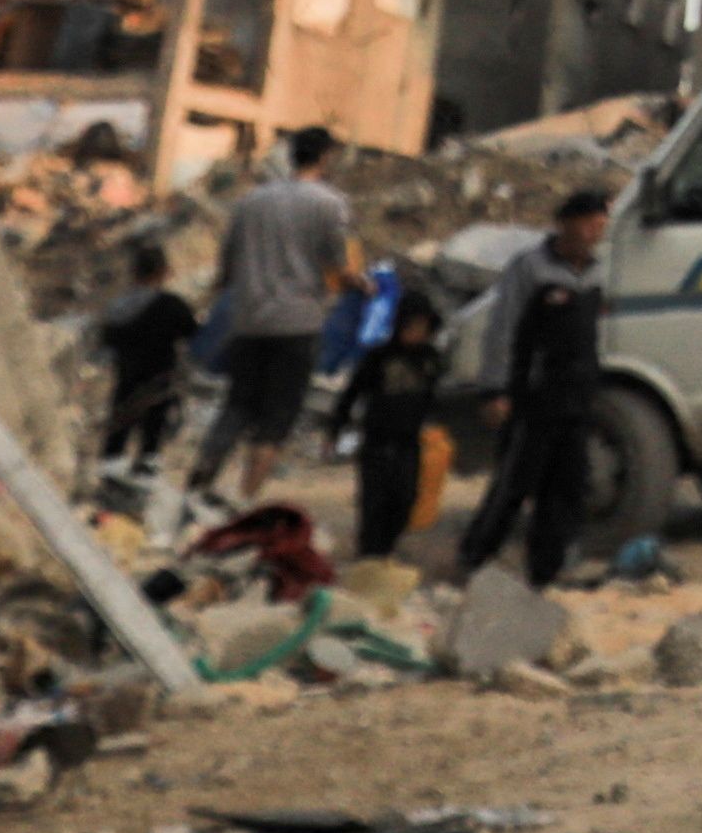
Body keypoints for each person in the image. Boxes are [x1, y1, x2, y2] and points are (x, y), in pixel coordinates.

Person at [456, 186, 617, 589]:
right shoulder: (530, 268)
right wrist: (495, 390)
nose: (596, 231)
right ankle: (476, 557)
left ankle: (544, 570)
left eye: (601, 224)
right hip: (534, 397)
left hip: (576, 397)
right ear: (567, 224)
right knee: (516, 481)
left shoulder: (596, 272)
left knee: (567, 485)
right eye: (590, 222)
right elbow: (502, 330)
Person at [197, 125, 352, 502]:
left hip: (250, 320)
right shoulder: (329, 203)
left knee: (236, 405)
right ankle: (244, 499)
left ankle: (197, 486)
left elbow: (226, 268)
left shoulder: (251, 201)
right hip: (298, 324)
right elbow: (338, 265)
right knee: (276, 419)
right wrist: (360, 285)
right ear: (326, 157)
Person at [337, 286, 452, 566]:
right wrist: (335, 428)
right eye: (412, 326)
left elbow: (435, 399)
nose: (416, 332)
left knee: (404, 500)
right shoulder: (378, 357)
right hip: (376, 441)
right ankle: (369, 558)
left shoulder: (431, 360)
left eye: (422, 327)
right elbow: (352, 393)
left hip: (409, 443)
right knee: (374, 503)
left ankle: (385, 552)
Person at [86, 248, 197, 476]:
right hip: (160, 377)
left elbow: (105, 342)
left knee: (121, 419)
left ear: (133, 272)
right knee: (154, 426)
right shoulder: (172, 305)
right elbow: (194, 335)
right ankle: (145, 467)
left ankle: (110, 467)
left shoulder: (118, 306)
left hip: (126, 374)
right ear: (164, 272)